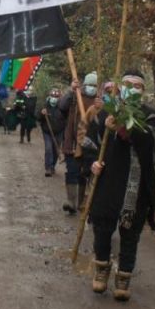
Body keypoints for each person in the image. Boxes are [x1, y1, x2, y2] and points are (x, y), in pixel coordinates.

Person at [88, 70, 155, 301]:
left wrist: (122, 127)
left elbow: (148, 142)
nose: (132, 89)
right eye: (127, 84)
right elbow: (95, 145)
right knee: (102, 226)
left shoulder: (151, 117)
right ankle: (101, 270)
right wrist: (94, 164)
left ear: (143, 90)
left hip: (136, 185)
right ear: (120, 87)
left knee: (130, 233)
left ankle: (123, 277)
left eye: (136, 86)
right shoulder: (107, 113)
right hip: (109, 180)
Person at [57, 71, 99, 214]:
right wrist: (71, 90)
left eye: (94, 85)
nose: (92, 88)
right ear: (84, 84)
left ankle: (81, 203)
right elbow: (62, 106)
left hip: (90, 144)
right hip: (73, 143)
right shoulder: (75, 96)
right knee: (72, 171)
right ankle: (71, 202)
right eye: (89, 85)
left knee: (83, 174)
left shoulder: (99, 101)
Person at [39, 87, 65, 176]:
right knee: (48, 149)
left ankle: (53, 166)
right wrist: (41, 114)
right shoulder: (45, 106)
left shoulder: (62, 108)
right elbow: (38, 118)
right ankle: (48, 168)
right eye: (52, 96)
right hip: (47, 132)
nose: (54, 98)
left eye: (56, 97)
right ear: (49, 96)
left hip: (59, 132)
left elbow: (66, 120)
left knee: (55, 150)